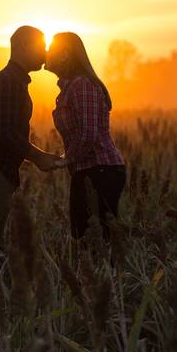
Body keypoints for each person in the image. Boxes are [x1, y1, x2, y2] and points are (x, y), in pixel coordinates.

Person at [0, 25, 64, 257]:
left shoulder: (14, 81)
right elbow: (5, 132)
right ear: (25, 45)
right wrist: (38, 157)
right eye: (42, 46)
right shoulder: (8, 82)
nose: (46, 52)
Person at [46, 32, 126, 240]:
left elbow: (88, 134)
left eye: (50, 48)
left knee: (93, 240)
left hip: (100, 171)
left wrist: (65, 160)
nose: (46, 53)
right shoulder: (70, 88)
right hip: (89, 171)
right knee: (86, 239)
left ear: (64, 54)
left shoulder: (82, 85)